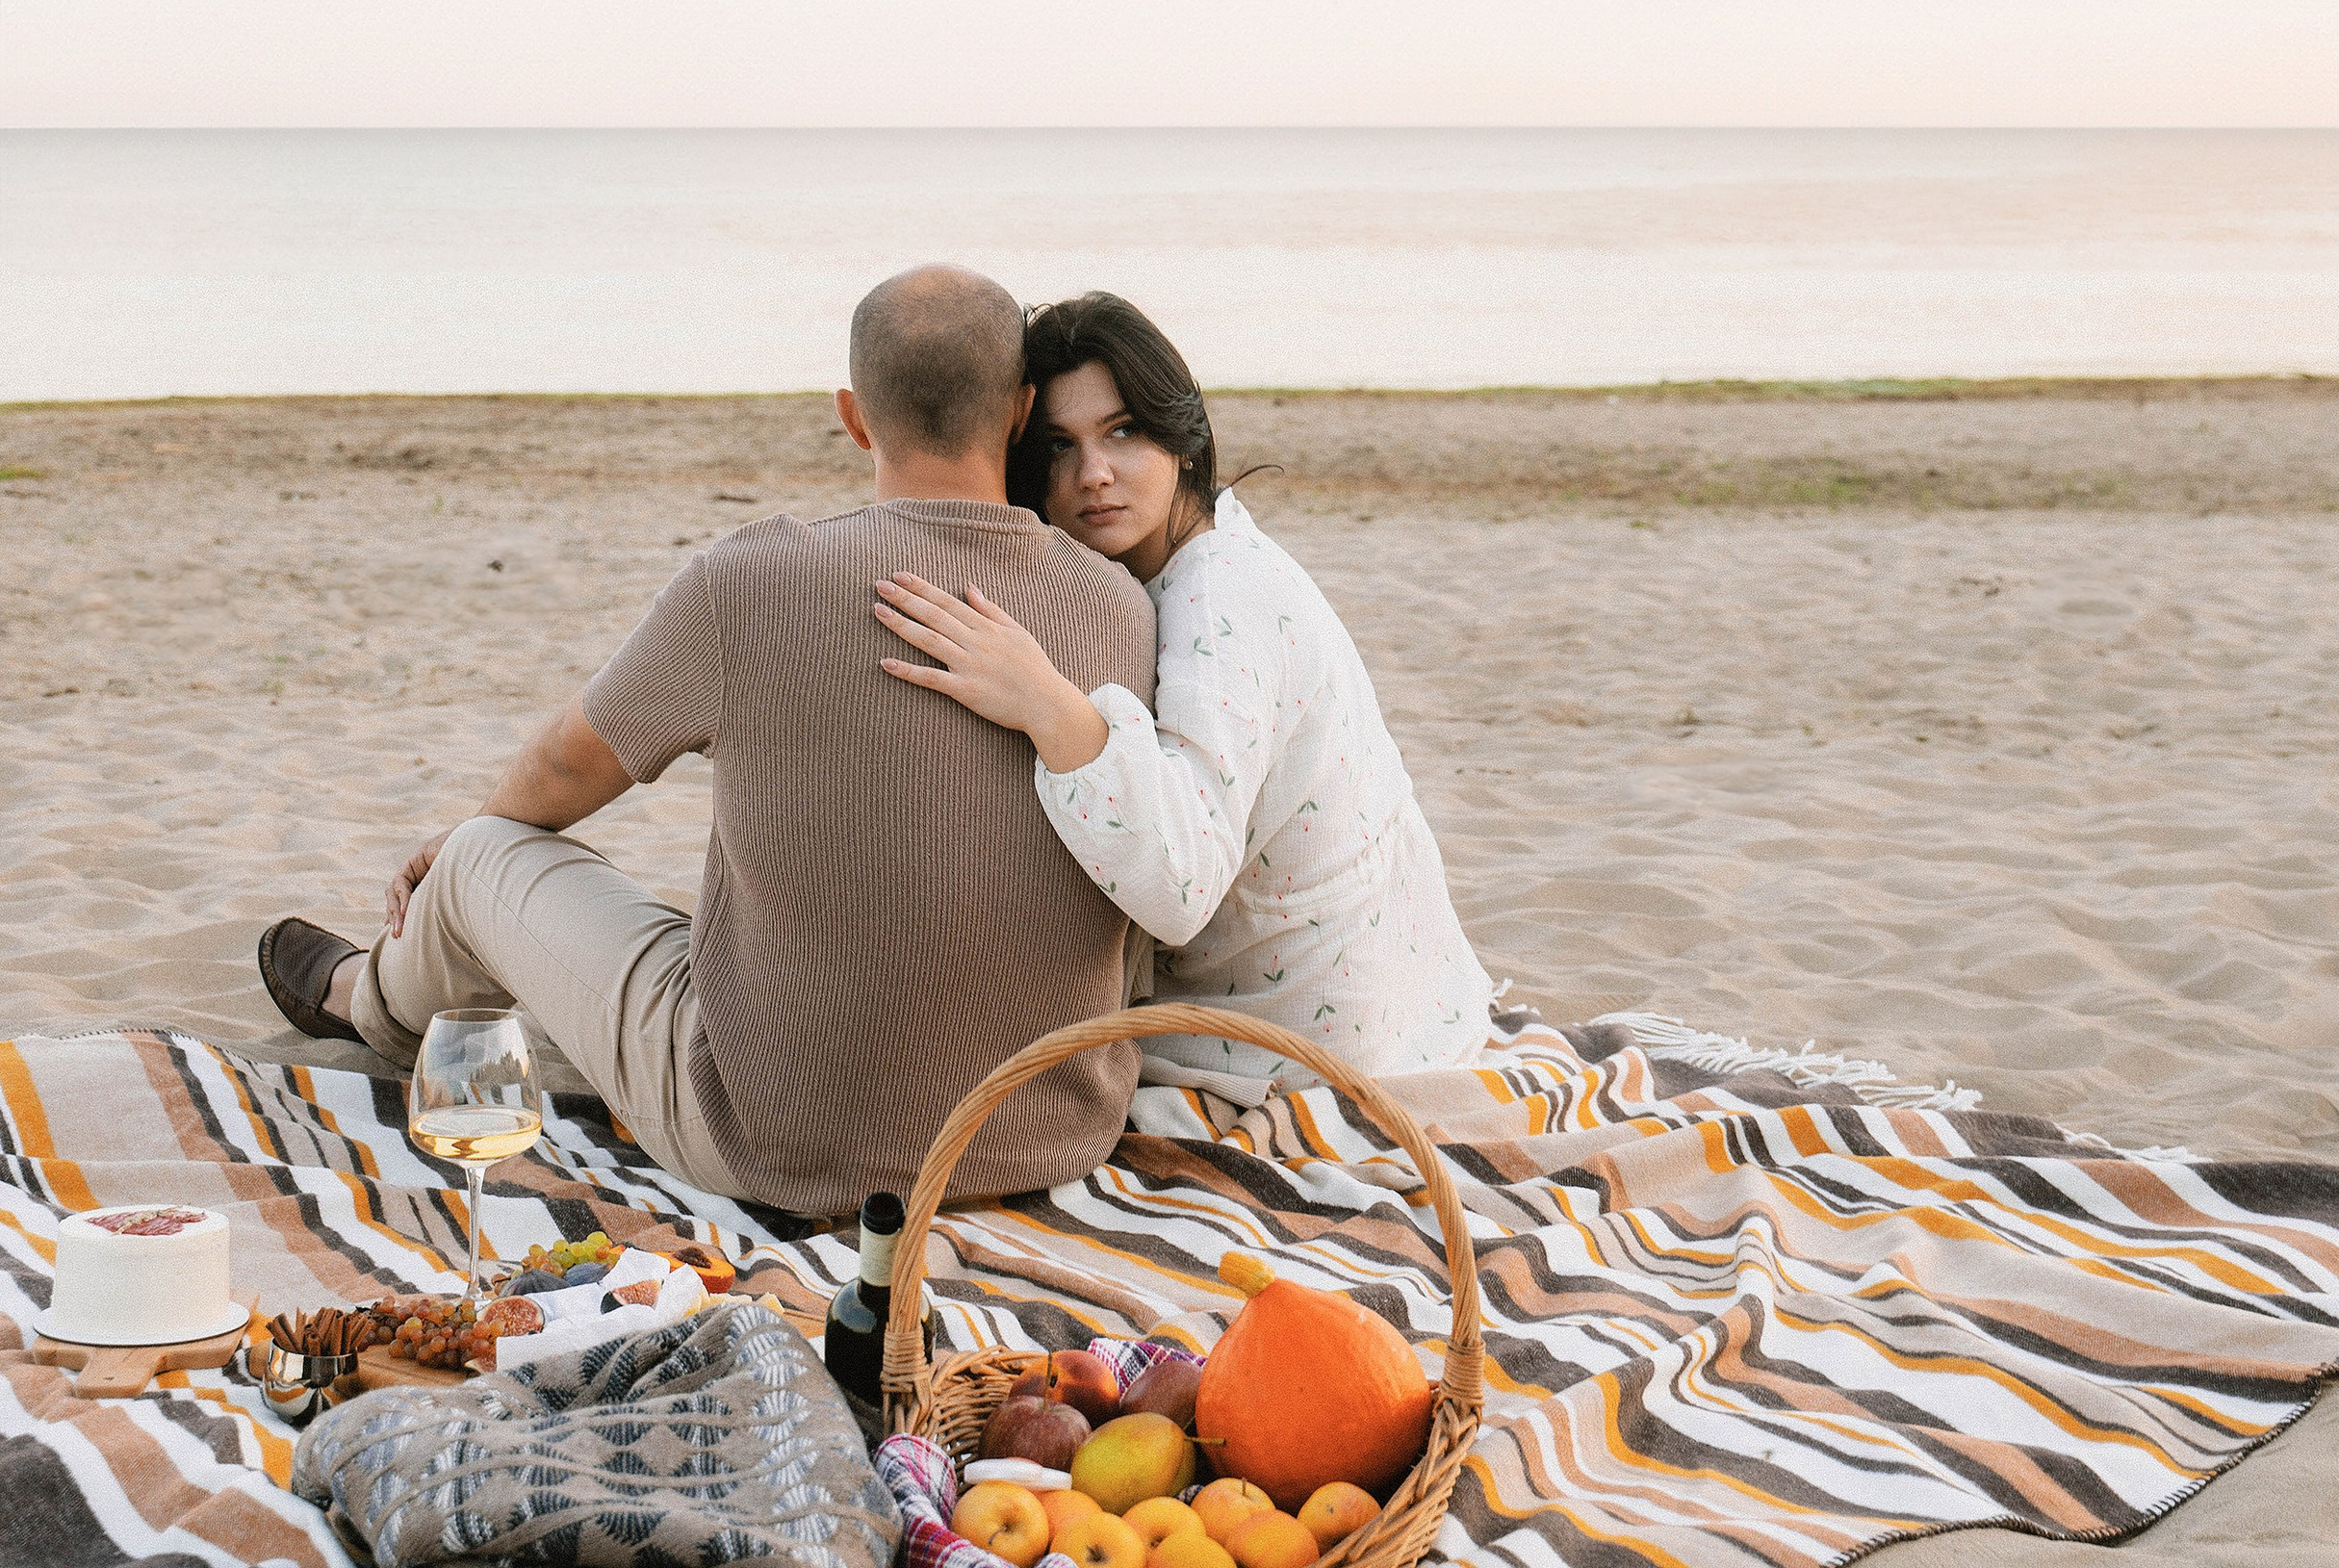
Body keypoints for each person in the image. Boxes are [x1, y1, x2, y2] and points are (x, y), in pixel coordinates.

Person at [256, 267, 1159, 1219]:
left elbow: (567, 765)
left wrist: (462, 847)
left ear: (854, 417)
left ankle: (366, 1002)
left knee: (483, 852)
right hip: (1047, 1135)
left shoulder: (750, 581)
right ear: (1020, 412)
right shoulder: (1119, 607)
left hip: (777, 1142)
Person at [873, 291, 1493, 1097]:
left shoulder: (1220, 596)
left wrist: (1043, 702)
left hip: (1310, 1042)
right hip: (1397, 990)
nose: (1093, 474)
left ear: (1179, 436)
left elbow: (1180, 885)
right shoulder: (1204, 552)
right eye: (1058, 446)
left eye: (1122, 431)